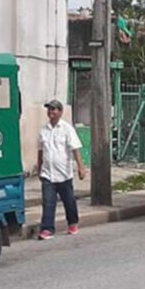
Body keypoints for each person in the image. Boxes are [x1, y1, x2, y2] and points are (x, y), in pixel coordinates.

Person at [37, 99, 86, 240]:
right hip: (48, 173)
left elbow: (75, 149)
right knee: (48, 202)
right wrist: (40, 168)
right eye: (49, 109)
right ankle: (47, 229)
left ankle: (72, 223)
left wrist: (81, 168)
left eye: (54, 109)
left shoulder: (66, 129)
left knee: (69, 200)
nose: (51, 112)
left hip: (64, 173)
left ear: (60, 112)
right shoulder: (43, 130)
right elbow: (40, 151)